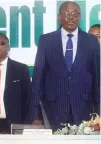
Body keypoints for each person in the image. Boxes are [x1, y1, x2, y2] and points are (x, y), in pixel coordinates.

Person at [30, 1, 100, 131]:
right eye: (67, 14)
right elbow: (38, 79)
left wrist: (99, 112)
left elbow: (97, 79)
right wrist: (35, 114)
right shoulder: (46, 41)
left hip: (83, 110)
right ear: (59, 16)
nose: (71, 17)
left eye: (75, 14)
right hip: (53, 110)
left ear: (80, 17)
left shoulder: (91, 41)